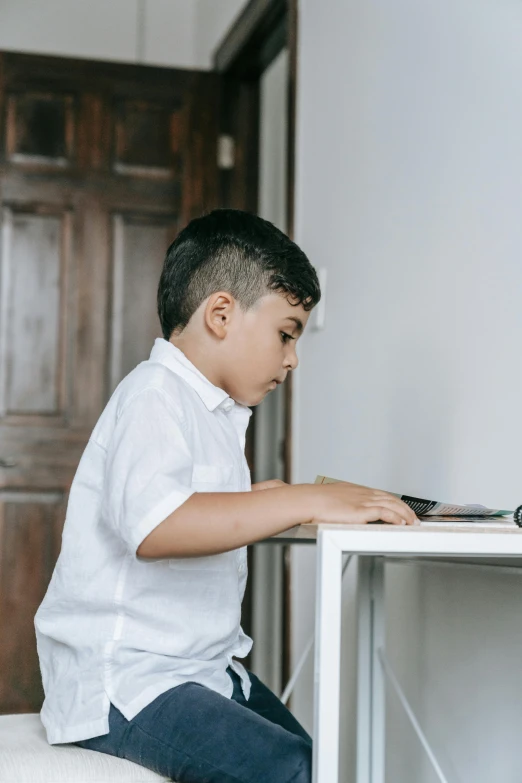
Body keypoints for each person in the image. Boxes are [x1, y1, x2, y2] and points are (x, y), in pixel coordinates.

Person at [34, 209, 417, 783]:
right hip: (125, 684)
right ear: (220, 314)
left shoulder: (211, 412)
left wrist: (278, 496)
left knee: (324, 760)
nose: (292, 360)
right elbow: (157, 526)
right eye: (285, 334)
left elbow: (204, 504)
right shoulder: (153, 394)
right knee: (290, 768)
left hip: (198, 670)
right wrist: (300, 502)